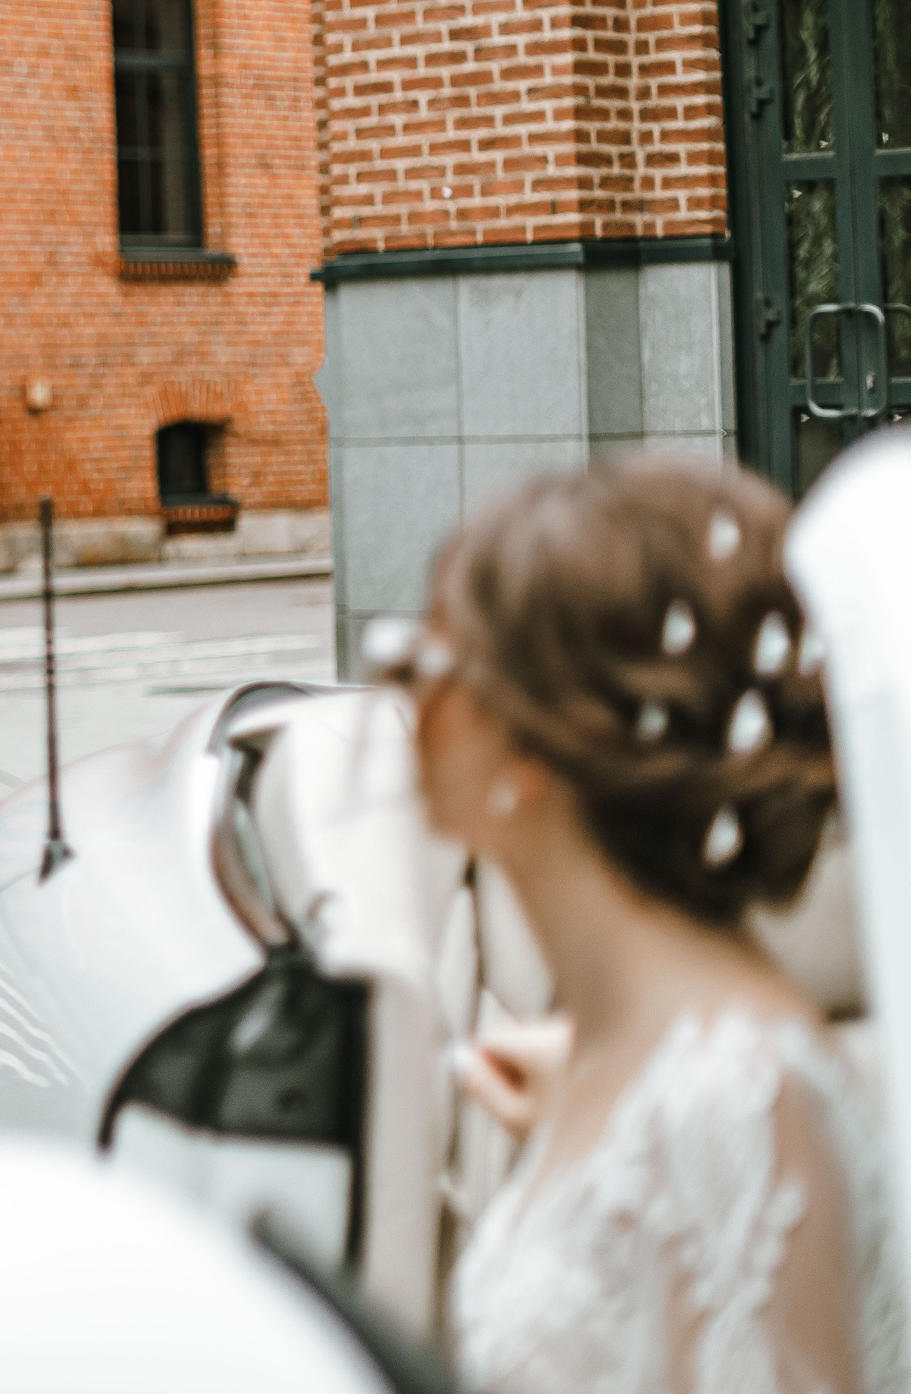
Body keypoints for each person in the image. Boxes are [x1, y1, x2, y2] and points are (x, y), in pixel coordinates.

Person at [386, 456, 904, 1394]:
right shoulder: (628, 1055)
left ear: (534, 744)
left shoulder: (740, 1101)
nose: (399, 699)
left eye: (425, 663)